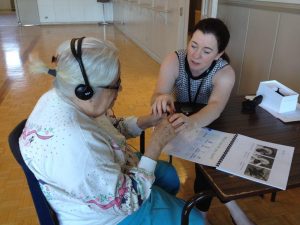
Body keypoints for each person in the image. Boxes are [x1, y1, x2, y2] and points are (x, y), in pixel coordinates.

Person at [19, 37, 204, 225]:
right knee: (196, 221)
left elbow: (107, 128)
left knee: (170, 176)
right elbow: (126, 201)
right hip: (110, 215)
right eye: (116, 84)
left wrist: (147, 121)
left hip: (108, 175)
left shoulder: (65, 94)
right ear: (86, 91)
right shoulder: (78, 145)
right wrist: (156, 144)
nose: (120, 88)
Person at [151, 18, 255, 225]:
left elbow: (215, 106)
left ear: (218, 54)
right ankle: (230, 210)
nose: (195, 55)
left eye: (206, 51)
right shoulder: (174, 60)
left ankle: (203, 216)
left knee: (205, 161)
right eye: (193, 45)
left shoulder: (225, 72)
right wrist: (162, 98)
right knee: (208, 161)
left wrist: (193, 123)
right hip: (177, 117)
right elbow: (158, 95)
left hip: (207, 119)